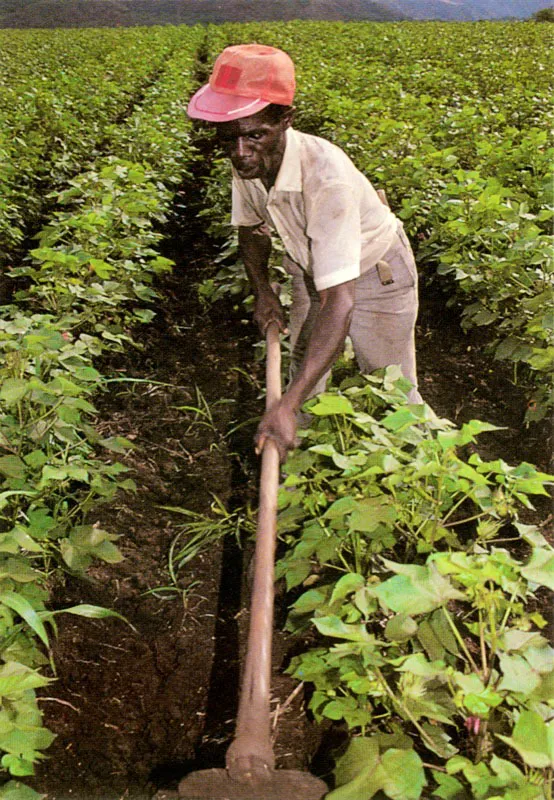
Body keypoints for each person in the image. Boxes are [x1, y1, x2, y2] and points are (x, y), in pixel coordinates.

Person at [188, 44, 422, 462]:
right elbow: (251, 230)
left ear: (286, 122)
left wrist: (284, 404)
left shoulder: (326, 180)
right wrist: (263, 292)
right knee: (304, 367)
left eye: (256, 135)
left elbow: (340, 300)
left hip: (376, 273)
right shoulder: (249, 160)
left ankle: (425, 477)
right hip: (309, 265)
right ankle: (302, 462)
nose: (240, 151)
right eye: (230, 137)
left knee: (393, 388)